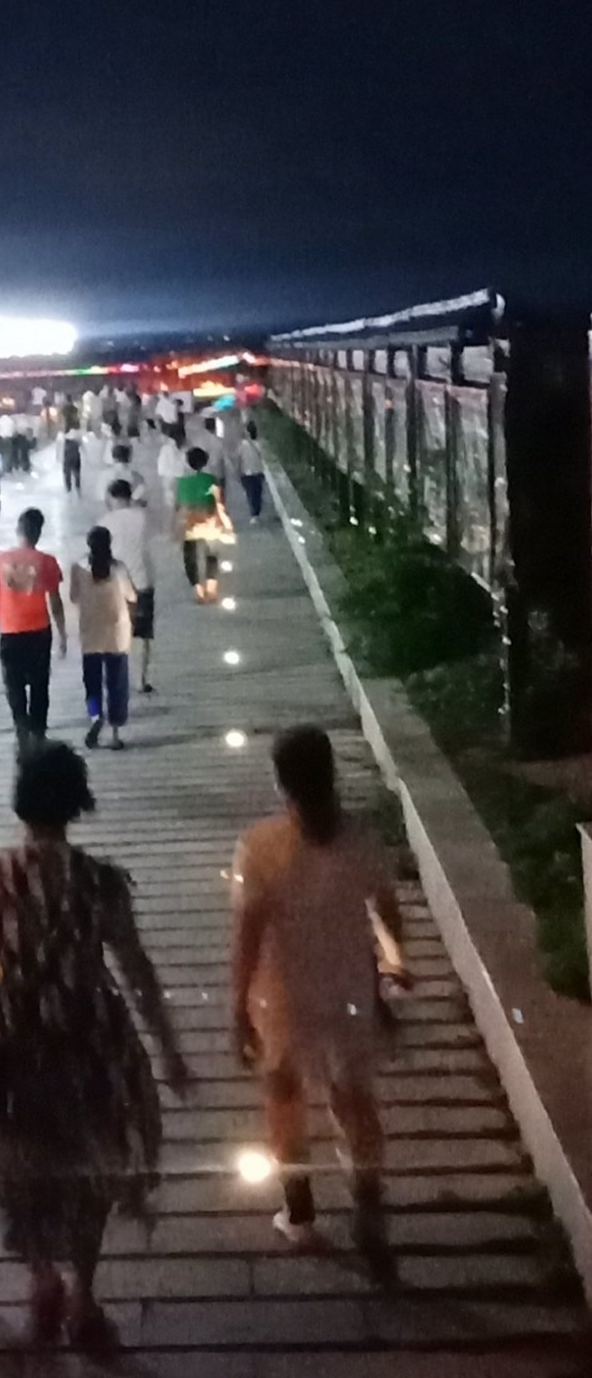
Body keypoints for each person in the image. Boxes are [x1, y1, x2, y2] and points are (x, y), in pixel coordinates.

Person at [0, 743, 189, 1352]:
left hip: (17, 1042)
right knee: (90, 1169)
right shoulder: (100, 883)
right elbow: (135, 969)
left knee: (21, 1164)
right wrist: (168, 1048)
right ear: (77, 804)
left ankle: (42, 1278)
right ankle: (84, 1294)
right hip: (93, 1044)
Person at [233, 727, 407, 1264]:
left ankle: (300, 1212)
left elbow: (248, 936)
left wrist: (237, 1007)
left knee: (285, 1098)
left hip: (283, 995)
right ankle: (368, 1201)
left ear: (280, 782)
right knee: (354, 1098)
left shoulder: (261, 846)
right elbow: (387, 911)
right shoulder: (361, 838)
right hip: (349, 988)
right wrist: (392, 968)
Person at [0, 507, 67, 746]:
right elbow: (55, 601)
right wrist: (62, 634)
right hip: (39, 630)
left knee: (14, 683)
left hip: (10, 630)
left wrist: (1, 620)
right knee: (40, 683)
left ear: (18, 530)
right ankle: (38, 731)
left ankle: (21, 727)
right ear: (39, 532)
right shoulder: (47, 562)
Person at [69, 527, 137, 751]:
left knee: (92, 683)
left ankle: (95, 716)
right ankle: (115, 733)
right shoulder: (119, 568)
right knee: (117, 685)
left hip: (90, 633)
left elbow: (73, 597)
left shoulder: (78, 567)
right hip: (117, 634)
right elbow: (131, 596)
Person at [104, 479, 155, 694]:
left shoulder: (105, 521)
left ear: (111, 497)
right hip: (142, 579)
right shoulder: (142, 517)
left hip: (116, 583)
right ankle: (141, 680)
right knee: (143, 633)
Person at [173, 447, 234, 602]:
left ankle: (198, 592)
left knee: (190, 558)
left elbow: (179, 507)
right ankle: (211, 591)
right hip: (210, 524)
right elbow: (219, 504)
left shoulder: (182, 482)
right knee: (211, 556)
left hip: (190, 525)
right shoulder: (211, 480)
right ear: (205, 462)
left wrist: (175, 528)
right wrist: (227, 524)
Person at [101, 441, 146, 508]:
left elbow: (102, 498)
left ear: (113, 457)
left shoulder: (105, 475)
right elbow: (140, 497)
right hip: (131, 510)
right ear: (129, 458)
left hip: (111, 510)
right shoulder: (138, 477)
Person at [238, 420, 266, 523]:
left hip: (246, 473)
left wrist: (237, 472)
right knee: (257, 493)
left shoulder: (242, 445)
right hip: (258, 472)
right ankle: (256, 513)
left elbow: (239, 459)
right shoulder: (259, 444)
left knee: (250, 493)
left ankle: (253, 514)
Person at [156, 428, 187, 512]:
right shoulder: (167, 449)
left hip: (178, 483)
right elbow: (162, 469)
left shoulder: (182, 449)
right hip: (170, 482)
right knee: (171, 509)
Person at [60, 404, 83, 493]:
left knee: (68, 473)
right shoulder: (76, 428)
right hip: (74, 452)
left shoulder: (65, 428)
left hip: (68, 452)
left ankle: (69, 490)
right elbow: (80, 441)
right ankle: (77, 489)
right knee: (76, 473)